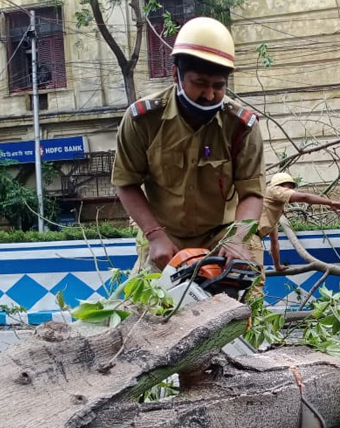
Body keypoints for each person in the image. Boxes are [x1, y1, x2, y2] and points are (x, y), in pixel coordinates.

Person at [111, 16, 264, 274]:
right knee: (153, 311)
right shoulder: (143, 120)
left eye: (218, 86)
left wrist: (237, 239)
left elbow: (252, 192)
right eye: (200, 83)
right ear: (176, 74)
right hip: (163, 240)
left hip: (223, 240)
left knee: (236, 308)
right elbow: (126, 183)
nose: (209, 95)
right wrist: (154, 235)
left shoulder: (241, 126)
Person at [258, 172, 340, 271]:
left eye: (292, 188)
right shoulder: (274, 190)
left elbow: (274, 242)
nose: (291, 191)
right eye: (288, 188)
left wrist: (277, 266)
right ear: (279, 186)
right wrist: (330, 202)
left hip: (251, 238)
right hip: (249, 239)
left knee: (252, 277)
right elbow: (304, 197)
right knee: (254, 277)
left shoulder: (271, 211)